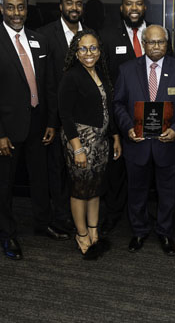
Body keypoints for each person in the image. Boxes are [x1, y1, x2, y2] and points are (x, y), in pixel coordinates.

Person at [0, 0, 63, 261]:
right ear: (1, 9)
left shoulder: (40, 39)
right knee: (5, 184)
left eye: (21, 7)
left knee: (41, 178)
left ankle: (41, 222)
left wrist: (51, 122)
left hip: (38, 123)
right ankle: (8, 233)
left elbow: (49, 85)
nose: (16, 13)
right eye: (10, 7)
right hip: (7, 128)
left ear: (27, 9)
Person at [111, 25, 175, 257]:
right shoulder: (127, 69)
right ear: (144, 43)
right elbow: (117, 103)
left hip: (167, 144)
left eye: (161, 42)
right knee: (136, 190)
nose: (156, 46)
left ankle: (165, 232)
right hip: (136, 143)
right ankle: (139, 230)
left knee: (168, 192)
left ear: (167, 44)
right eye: (151, 42)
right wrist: (128, 127)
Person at [58, 30, 123, 260]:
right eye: (83, 49)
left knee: (95, 189)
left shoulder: (101, 74)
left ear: (99, 50)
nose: (89, 53)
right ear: (76, 53)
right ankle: (82, 233)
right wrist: (77, 148)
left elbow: (109, 110)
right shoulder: (71, 76)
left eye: (93, 48)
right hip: (80, 141)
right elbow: (65, 115)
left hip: (101, 141)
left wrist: (115, 137)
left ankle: (95, 231)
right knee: (79, 190)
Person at [97, 0, 153, 235]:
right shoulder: (108, 36)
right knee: (117, 170)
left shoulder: (156, 34)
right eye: (128, 4)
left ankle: (146, 215)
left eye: (138, 4)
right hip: (120, 115)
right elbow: (104, 76)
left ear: (145, 8)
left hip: (153, 117)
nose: (133, 8)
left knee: (149, 168)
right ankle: (114, 215)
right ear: (121, 8)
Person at [36, 0, 89, 237]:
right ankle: (60, 217)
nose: (74, 7)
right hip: (56, 115)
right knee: (57, 168)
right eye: (69, 3)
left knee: (79, 167)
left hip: (84, 117)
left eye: (78, 3)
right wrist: (51, 119)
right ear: (60, 7)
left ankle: (79, 214)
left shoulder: (89, 35)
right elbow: (44, 80)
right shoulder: (45, 35)